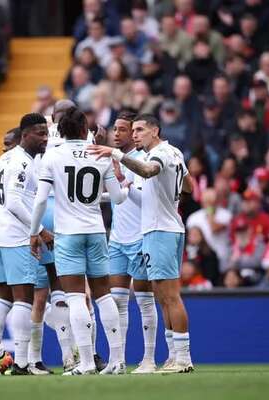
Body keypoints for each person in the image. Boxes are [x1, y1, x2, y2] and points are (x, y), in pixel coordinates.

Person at [89, 114, 195, 373]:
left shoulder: (159, 153)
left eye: (140, 130)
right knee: (162, 295)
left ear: (155, 131)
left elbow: (149, 171)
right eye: (133, 130)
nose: (135, 134)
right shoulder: (174, 153)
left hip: (161, 229)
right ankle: (174, 356)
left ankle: (183, 358)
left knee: (169, 295)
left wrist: (117, 155)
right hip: (159, 229)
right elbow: (189, 186)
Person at [30, 107, 128, 375]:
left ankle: (85, 362)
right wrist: (126, 184)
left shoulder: (53, 156)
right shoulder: (100, 154)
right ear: (85, 129)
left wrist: (33, 232)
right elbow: (118, 198)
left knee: (74, 298)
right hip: (96, 231)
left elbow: (40, 200)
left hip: (68, 235)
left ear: (60, 131)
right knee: (104, 296)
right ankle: (117, 360)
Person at [0, 113, 51, 376]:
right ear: (25, 135)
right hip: (18, 238)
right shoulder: (21, 162)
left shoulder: (5, 157)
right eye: (40, 133)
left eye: (46, 133)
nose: (45, 138)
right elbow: (14, 202)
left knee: (4, 298)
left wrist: (1, 213)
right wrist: (40, 230)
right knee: (24, 298)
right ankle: (21, 362)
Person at [106, 111, 158, 373]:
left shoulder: (143, 160)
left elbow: (141, 198)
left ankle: (148, 358)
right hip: (116, 240)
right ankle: (118, 361)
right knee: (117, 303)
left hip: (140, 238)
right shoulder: (111, 160)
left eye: (123, 130)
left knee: (145, 301)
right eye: (115, 129)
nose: (117, 134)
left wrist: (120, 180)